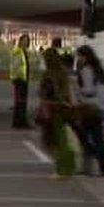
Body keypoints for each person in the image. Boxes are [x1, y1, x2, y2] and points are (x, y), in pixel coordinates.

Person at [38, 48, 76, 178]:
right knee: (62, 139)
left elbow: (47, 92)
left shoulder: (50, 74)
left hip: (53, 108)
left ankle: (61, 170)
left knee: (56, 140)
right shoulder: (63, 72)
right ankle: (67, 168)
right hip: (62, 107)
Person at [75, 45, 104, 177]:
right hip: (103, 106)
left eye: (79, 56)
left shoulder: (86, 70)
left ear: (85, 57)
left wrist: (78, 92)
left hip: (92, 107)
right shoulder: (98, 69)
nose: (78, 59)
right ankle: (102, 167)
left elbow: (89, 90)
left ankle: (91, 159)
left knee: (84, 135)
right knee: (97, 138)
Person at [9, 34, 32, 129]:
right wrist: (16, 77)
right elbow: (15, 66)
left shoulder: (24, 52)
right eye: (24, 40)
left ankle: (21, 121)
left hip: (23, 79)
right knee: (19, 102)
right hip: (19, 79)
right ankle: (19, 122)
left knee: (22, 102)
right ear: (20, 41)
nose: (26, 42)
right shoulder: (17, 51)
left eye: (27, 41)